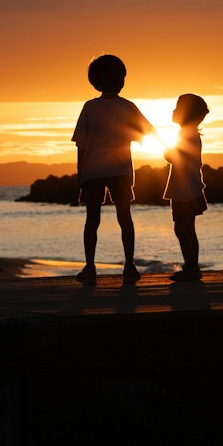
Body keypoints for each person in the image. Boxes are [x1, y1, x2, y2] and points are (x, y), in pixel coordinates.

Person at [71, 53, 151, 286]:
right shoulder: (128, 106)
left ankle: (90, 267)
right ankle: (129, 266)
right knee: (125, 218)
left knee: (92, 220)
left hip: (93, 172)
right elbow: (148, 132)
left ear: (95, 82)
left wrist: (80, 178)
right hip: (120, 171)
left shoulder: (89, 107)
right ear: (121, 79)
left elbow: (81, 147)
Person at [163, 93, 209, 279]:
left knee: (182, 229)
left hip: (184, 190)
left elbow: (177, 159)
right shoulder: (191, 134)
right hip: (191, 187)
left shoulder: (185, 135)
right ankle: (192, 266)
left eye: (177, 108)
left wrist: (167, 153)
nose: (173, 111)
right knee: (188, 228)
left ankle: (191, 268)